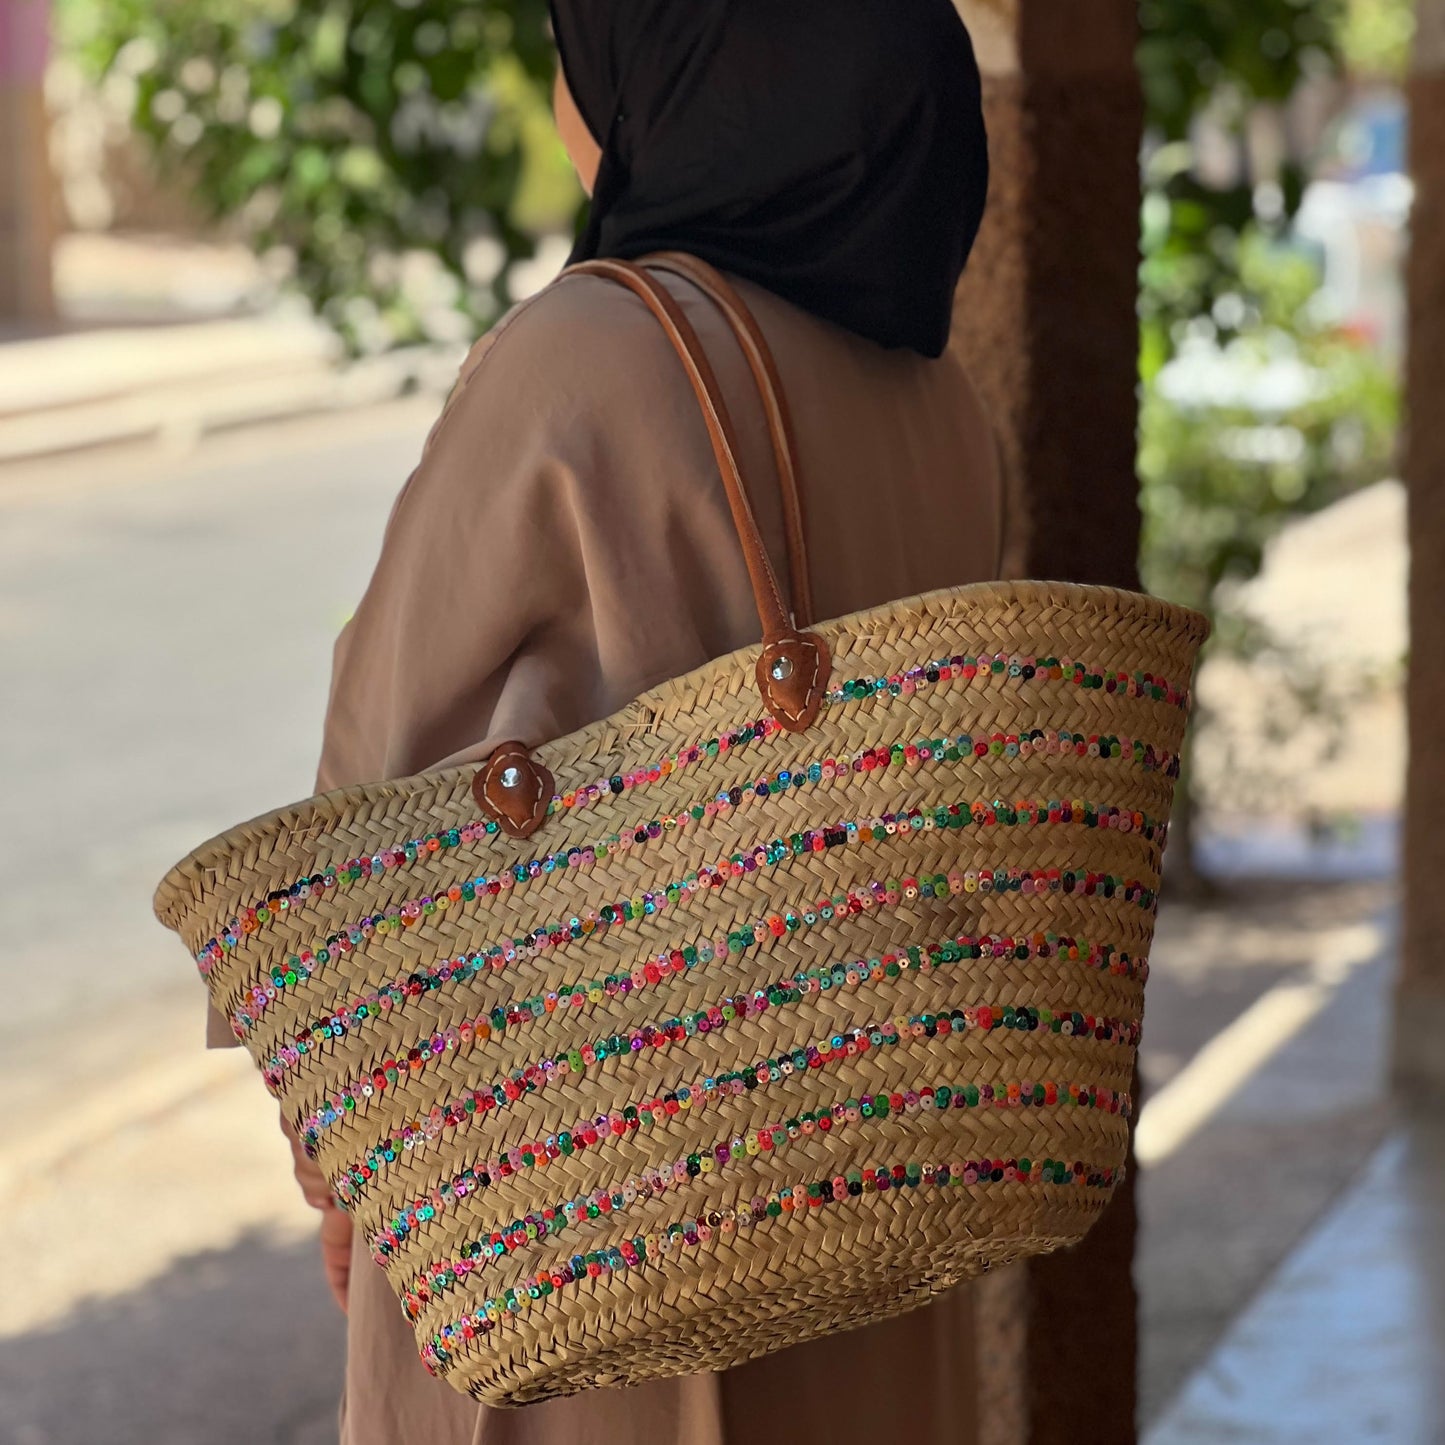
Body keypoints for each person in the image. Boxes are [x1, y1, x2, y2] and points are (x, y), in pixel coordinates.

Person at [215, 1, 1005, 1439]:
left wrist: (342, 1152)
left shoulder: (593, 354)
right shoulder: (941, 405)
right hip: (861, 1199)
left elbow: (366, 777)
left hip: (586, 1205)